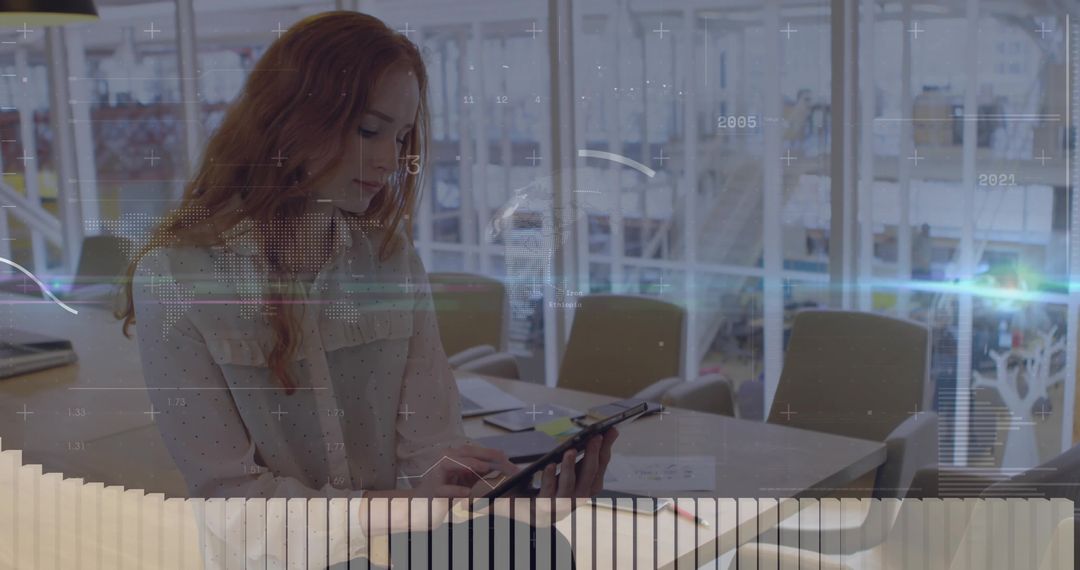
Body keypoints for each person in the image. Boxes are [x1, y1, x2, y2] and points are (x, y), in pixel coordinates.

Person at [116, 11, 615, 566]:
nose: (390, 161)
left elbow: (429, 456)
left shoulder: (391, 260)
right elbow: (230, 504)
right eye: (367, 130)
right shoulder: (178, 279)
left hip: (395, 553)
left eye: (401, 137)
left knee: (543, 546)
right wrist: (394, 512)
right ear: (288, 118)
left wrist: (516, 499)